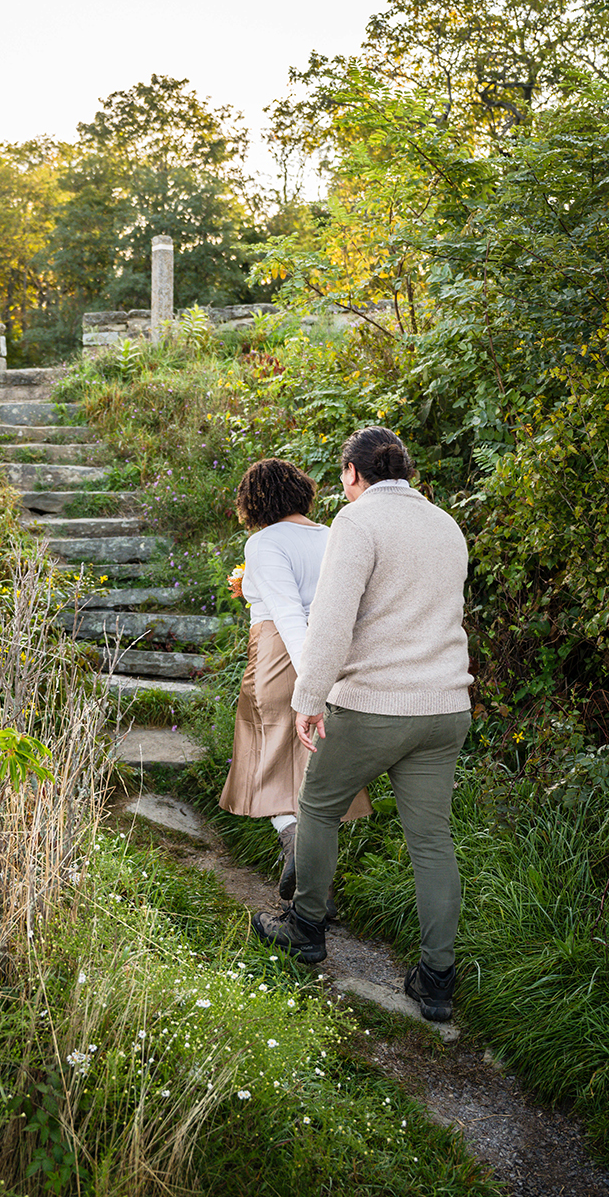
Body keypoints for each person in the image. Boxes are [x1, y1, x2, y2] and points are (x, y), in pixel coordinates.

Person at [251, 427, 473, 1023]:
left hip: (374, 704)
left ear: (353, 473)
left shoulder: (358, 522)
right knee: (432, 840)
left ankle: (304, 930)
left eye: (343, 476)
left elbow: (331, 620)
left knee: (318, 806)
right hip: (446, 707)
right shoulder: (445, 523)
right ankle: (436, 981)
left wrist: (309, 697)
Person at [220, 459, 370, 905]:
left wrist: (309, 684)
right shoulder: (331, 535)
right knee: (315, 764)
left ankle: (294, 845)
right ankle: (315, 883)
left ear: (254, 501)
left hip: (278, 654)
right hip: (328, 651)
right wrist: (325, 677)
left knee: (267, 757)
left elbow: (286, 613)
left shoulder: (264, 542)